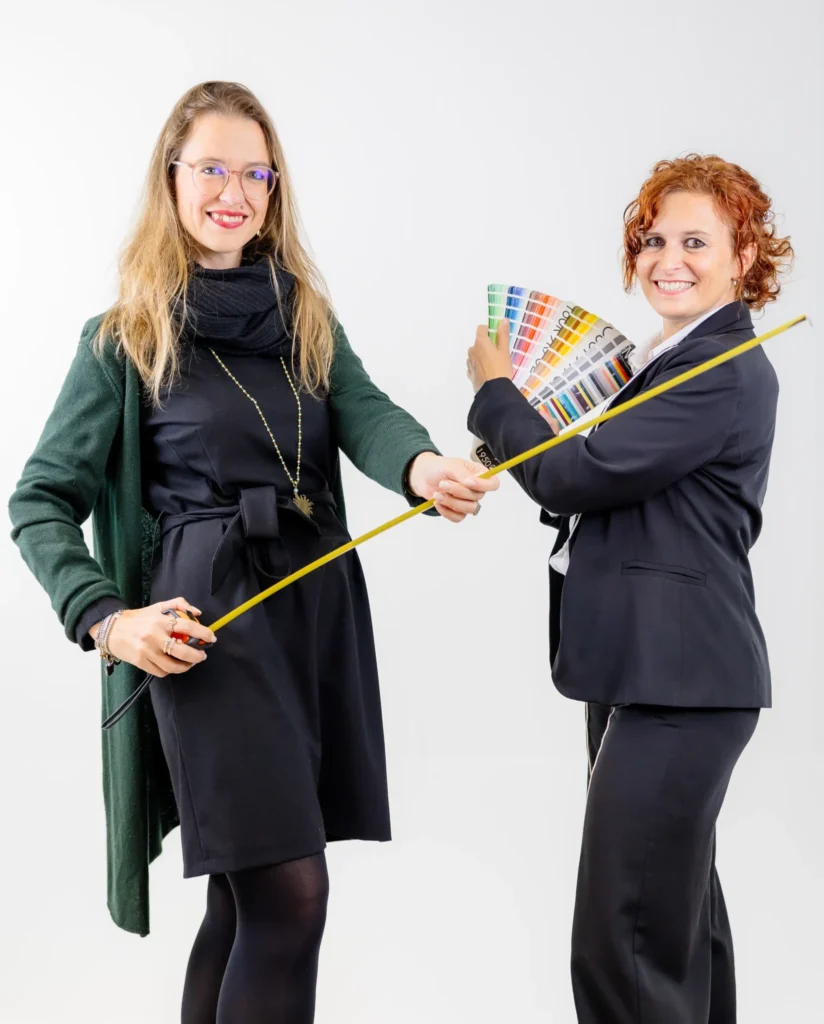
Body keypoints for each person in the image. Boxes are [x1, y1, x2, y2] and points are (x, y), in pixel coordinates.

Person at [8, 80, 498, 1024]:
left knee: (244, 900)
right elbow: (39, 501)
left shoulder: (303, 313)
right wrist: (108, 619)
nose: (234, 192)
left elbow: (365, 411)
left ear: (275, 189)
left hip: (312, 617)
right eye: (212, 170)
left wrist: (423, 466)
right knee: (291, 897)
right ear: (171, 178)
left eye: (256, 174)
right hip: (209, 635)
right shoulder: (123, 336)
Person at [466, 154, 793, 1023]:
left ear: (744, 257)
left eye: (695, 242)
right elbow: (614, 488)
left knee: (626, 938)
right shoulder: (670, 361)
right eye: (652, 241)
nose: (667, 259)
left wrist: (496, 393)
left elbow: (578, 474)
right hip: (646, 673)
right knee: (672, 929)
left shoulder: (719, 366)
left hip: (682, 684)